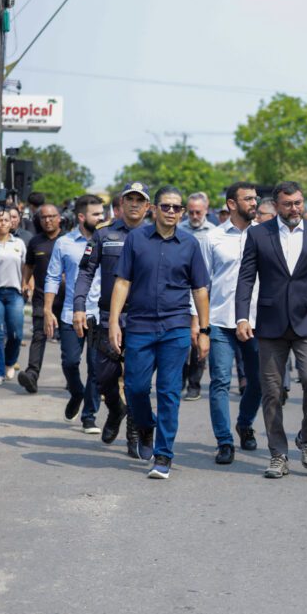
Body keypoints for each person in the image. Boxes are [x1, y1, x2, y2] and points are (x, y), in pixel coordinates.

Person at [235, 181, 307, 479]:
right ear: (276, 206)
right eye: (288, 204)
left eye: (298, 203)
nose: (295, 208)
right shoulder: (258, 234)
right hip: (270, 324)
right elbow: (246, 278)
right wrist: (242, 317)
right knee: (271, 391)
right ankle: (278, 454)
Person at [109, 186, 210, 480]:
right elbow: (122, 282)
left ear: (181, 213)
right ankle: (144, 427)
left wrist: (203, 330)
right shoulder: (136, 240)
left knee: (168, 393)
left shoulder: (190, 244)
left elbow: (200, 289)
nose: (171, 212)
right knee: (136, 388)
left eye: (176, 208)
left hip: (175, 327)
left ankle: (163, 455)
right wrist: (115, 322)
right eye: (165, 206)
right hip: (139, 326)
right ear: (154, 209)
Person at [75, 181, 150, 454]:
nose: (134, 204)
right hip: (107, 317)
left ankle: (133, 431)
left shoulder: (155, 235)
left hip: (143, 318)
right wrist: (79, 307)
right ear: (120, 203)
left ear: (147, 206)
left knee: (135, 379)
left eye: (139, 200)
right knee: (103, 375)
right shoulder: (104, 234)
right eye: (129, 199)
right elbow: (86, 271)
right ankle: (116, 409)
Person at [194, 181, 262, 465]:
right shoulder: (212, 238)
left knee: (258, 382)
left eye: (255, 199)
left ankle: (244, 423)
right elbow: (201, 285)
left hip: (259, 322)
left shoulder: (266, 236)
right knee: (220, 381)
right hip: (221, 322)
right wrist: (200, 326)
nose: (254, 203)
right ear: (232, 204)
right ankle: (224, 441)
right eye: (248, 199)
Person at [43, 195, 104, 433]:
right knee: (70, 361)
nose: (101, 218)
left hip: (99, 314)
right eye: (96, 214)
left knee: (96, 367)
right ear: (81, 217)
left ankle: (89, 416)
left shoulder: (106, 240)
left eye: (102, 213)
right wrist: (48, 311)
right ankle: (77, 392)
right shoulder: (64, 243)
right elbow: (52, 277)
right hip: (70, 313)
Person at [17, 205, 64, 393]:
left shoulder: (68, 240)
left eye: (52, 216)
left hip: (67, 299)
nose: (48, 220)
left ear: (59, 218)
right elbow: (29, 265)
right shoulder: (35, 242)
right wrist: (24, 282)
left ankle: (73, 378)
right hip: (41, 298)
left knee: (70, 342)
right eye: (44, 217)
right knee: (39, 335)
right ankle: (31, 375)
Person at [179, 192, 215, 401]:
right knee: (182, 341)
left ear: (206, 209)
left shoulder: (214, 233)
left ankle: (195, 383)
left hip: (204, 294)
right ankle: (181, 378)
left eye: (198, 212)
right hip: (181, 293)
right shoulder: (179, 230)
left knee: (200, 339)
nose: (194, 215)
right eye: (190, 211)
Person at [0, 208, 26, 385]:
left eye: (6, 220)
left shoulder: (18, 243)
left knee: (16, 333)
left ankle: (9, 362)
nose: (3, 223)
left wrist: (28, 283)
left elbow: (26, 267)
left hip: (14, 293)